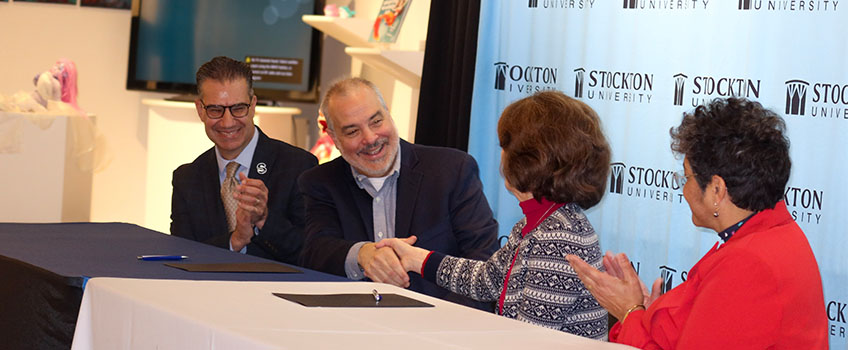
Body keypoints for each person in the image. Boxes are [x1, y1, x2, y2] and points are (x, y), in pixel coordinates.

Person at [567, 97, 828, 349]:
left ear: (716, 189)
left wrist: (629, 312)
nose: (684, 189)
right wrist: (651, 314)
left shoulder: (748, 264)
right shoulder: (774, 234)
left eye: (687, 177)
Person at [376, 91, 610, 339]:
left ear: (528, 159)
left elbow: (530, 339)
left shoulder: (557, 236)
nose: (502, 154)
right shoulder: (539, 223)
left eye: (506, 145)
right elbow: (487, 281)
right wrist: (416, 259)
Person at [298, 77, 499, 310]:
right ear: (334, 138)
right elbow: (316, 253)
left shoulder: (452, 170)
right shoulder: (320, 182)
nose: (371, 138)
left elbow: (483, 263)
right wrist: (362, 254)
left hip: (441, 328)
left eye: (376, 121)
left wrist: (440, 326)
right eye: (352, 131)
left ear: (388, 114)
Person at [171, 56, 317, 265]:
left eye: (238, 108)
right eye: (215, 110)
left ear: (253, 105)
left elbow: (311, 255)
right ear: (200, 110)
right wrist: (235, 240)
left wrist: (264, 219)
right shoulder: (187, 179)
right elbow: (182, 258)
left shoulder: (299, 166)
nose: (227, 122)